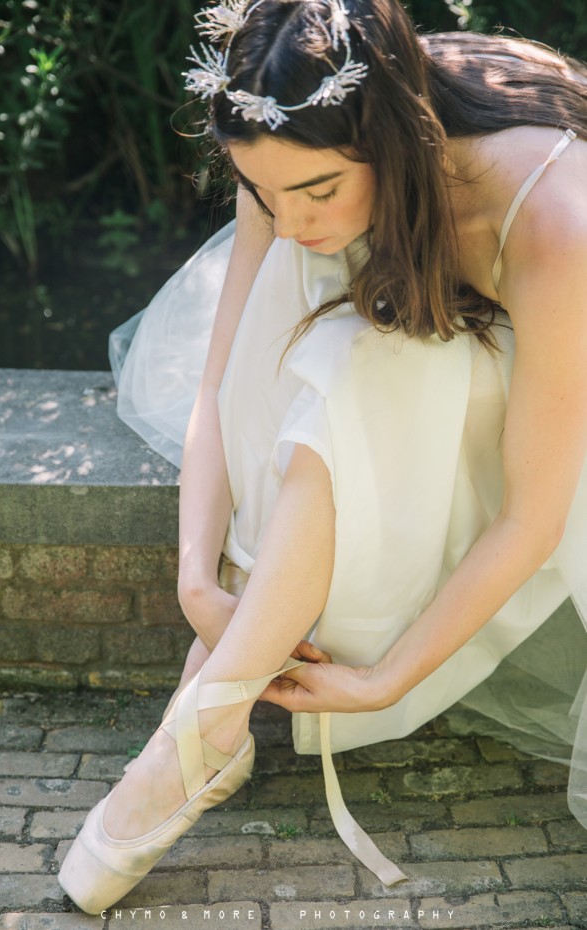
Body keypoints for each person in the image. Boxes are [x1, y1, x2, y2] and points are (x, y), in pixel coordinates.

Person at [59, 0, 587, 914]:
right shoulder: (291, 142)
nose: (287, 218)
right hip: (425, 305)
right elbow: (222, 384)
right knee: (331, 332)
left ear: (392, 142)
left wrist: (386, 680)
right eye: (263, 195)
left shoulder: (553, 220)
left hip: (558, 380)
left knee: (365, 365)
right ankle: (209, 722)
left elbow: (532, 517)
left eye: (315, 194)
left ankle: (195, 737)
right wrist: (194, 578)